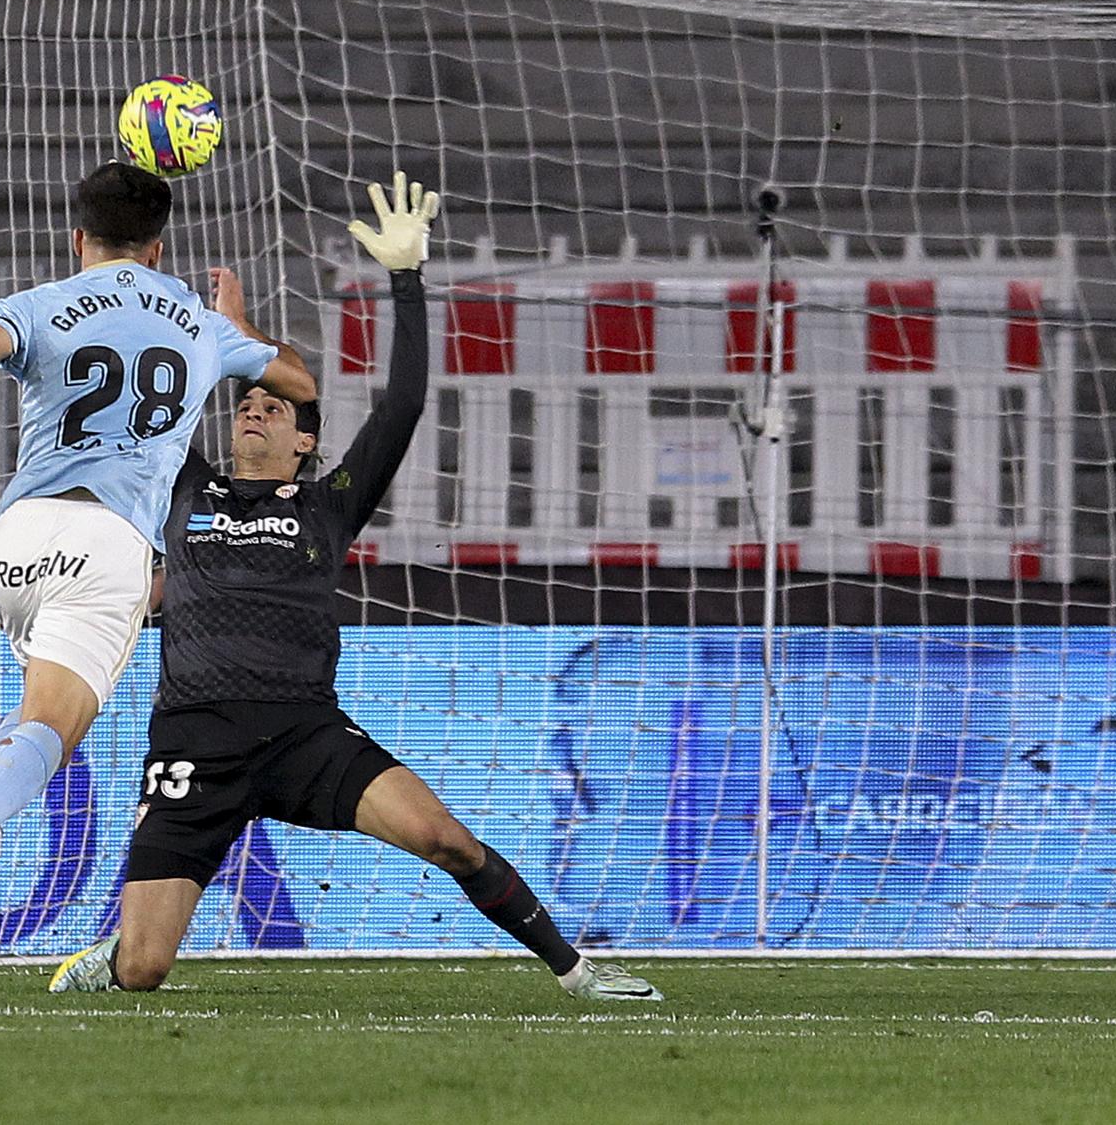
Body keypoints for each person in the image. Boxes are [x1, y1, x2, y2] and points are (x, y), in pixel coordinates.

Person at [48, 173, 661, 1003]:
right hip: (196, 741)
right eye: (245, 404)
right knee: (145, 969)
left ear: (306, 443)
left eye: (273, 406)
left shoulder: (329, 502)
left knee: (446, 839)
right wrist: (188, 312)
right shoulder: (184, 487)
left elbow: (403, 404)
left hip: (307, 735)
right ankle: (114, 953)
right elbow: (139, 393)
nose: (253, 411)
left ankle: (578, 969)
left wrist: (406, 278)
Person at [0, 160, 316, 942]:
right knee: (55, 728)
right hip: (109, 542)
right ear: (160, 249)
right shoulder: (198, 322)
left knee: (36, 713)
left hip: (16, 539)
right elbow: (298, 380)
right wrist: (241, 324)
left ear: (78, 238)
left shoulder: (39, 305)